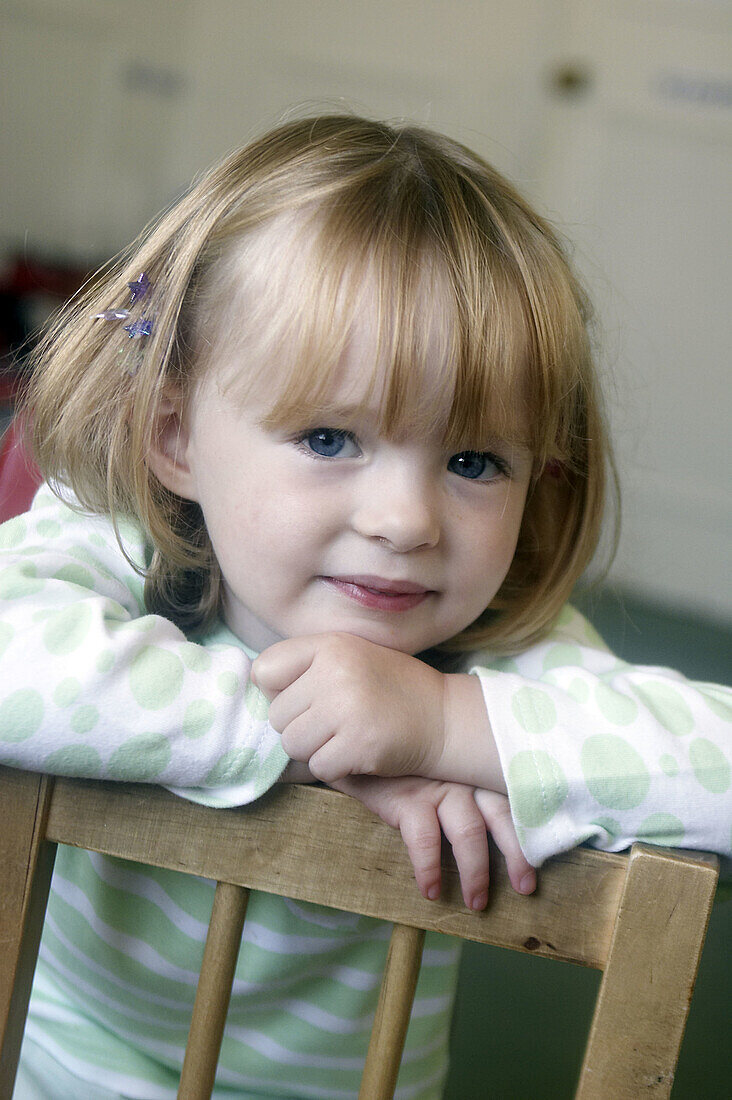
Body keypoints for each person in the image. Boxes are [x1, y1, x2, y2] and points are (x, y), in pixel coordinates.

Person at [1, 115, 728, 1100]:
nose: (405, 520)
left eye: (474, 461)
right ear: (176, 435)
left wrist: (441, 721)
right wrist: (310, 731)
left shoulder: (491, 645)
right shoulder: (130, 551)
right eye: (330, 437)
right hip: (52, 1062)